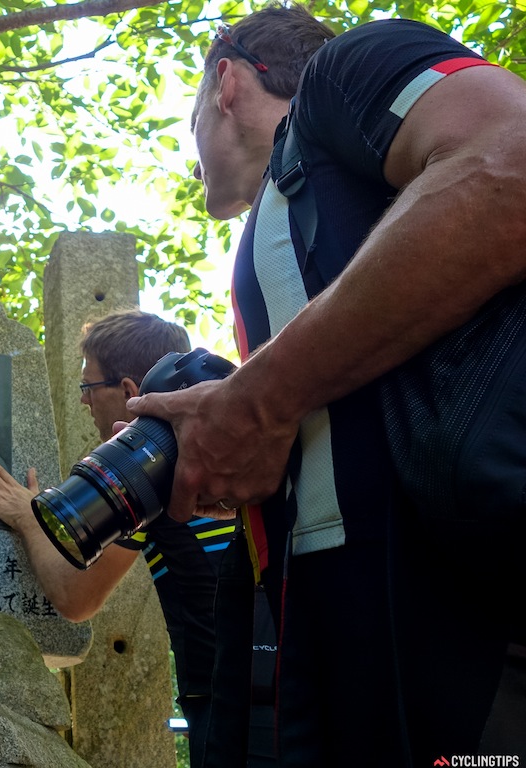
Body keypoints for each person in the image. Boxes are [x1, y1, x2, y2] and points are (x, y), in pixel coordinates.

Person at [125, 5, 526, 765]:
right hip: (329, 637)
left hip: (464, 615)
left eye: (188, 123)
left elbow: (513, 162)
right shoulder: (274, 224)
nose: (193, 154)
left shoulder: (355, 65)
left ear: (228, 82)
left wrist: (258, 398)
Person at [0, 308, 275, 768]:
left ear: (131, 392)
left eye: (88, 387)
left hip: (227, 699)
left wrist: (27, 516)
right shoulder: (247, 442)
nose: (84, 402)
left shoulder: (154, 476)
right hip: (298, 676)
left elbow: (77, 598)